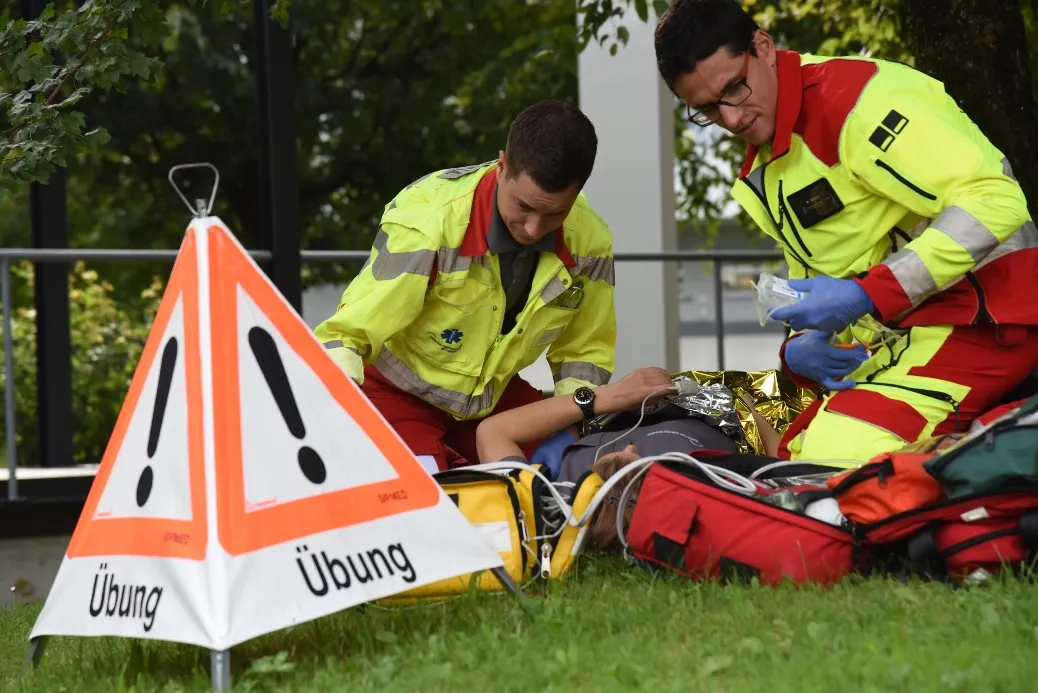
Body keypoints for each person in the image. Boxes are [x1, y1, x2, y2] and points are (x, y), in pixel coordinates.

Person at [653, 0, 1038, 464]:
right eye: (707, 110)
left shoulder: (860, 102)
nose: (731, 119)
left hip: (993, 319)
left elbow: (996, 201)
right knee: (797, 454)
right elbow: (817, 279)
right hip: (913, 333)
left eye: (734, 88)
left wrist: (867, 295)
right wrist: (800, 347)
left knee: (840, 458)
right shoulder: (771, 159)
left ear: (764, 46)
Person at [314, 100, 617, 473]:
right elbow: (348, 334)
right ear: (502, 164)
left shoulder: (591, 241)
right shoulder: (429, 220)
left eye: (555, 213)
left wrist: (570, 426)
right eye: (523, 206)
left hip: (492, 399)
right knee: (424, 503)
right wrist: (329, 417)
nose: (534, 229)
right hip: (397, 391)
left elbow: (585, 352)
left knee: (576, 474)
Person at [475, 366, 783, 481]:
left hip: (628, 405)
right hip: (755, 412)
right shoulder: (706, 490)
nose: (632, 449)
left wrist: (604, 399)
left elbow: (492, 431)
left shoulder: (547, 498)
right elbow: (780, 467)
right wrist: (748, 409)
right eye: (637, 483)